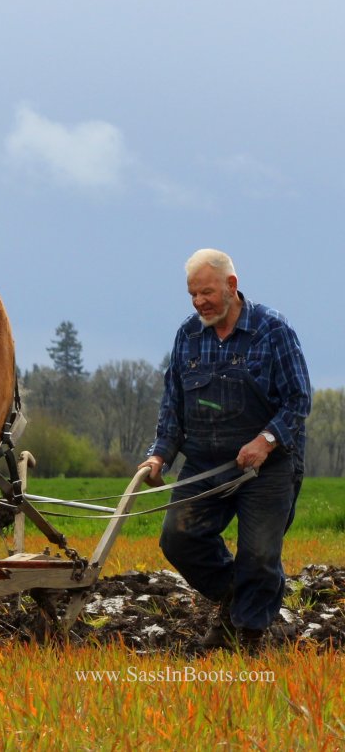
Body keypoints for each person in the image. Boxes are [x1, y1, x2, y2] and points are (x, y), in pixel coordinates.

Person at [139, 248, 310, 650]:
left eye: (207, 293)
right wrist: (160, 453)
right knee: (178, 539)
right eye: (193, 295)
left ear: (231, 286)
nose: (199, 302)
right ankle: (240, 600)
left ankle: (246, 638)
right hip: (205, 462)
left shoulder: (273, 331)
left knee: (260, 553)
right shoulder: (189, 335)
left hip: (266, 466)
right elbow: (173, 405)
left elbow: (299, 400)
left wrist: (265, 440)